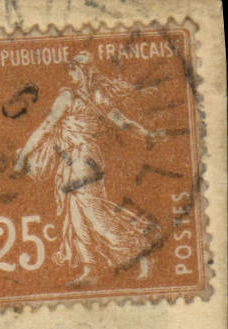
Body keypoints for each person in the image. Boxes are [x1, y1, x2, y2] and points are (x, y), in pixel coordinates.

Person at [14, 52, 164, 285]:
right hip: (78, 160)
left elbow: (46, 126)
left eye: (73, 69)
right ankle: (90, 269)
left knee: (94, 213)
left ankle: (138, 250)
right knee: (76, 214)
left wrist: (23, 156)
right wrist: (146, 134)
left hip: (81, 159)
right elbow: (124, 123)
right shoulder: (98, 97)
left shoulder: (68, 96)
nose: (70, 73)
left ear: (82, 71)